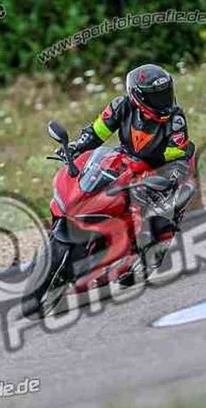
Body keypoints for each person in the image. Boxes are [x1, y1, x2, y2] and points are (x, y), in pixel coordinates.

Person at [59, 63, 196, 260]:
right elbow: (97, 132)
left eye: (165, 93)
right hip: (126, 157)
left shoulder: (175, 119)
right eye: (155, 96)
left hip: (159, 166)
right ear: (138, 97)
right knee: (96, 180)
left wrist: (167, 181)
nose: (163, 101)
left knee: (165, 206)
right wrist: (77, 146)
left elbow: (178, 156)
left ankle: (156, 245)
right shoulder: (121, 106)